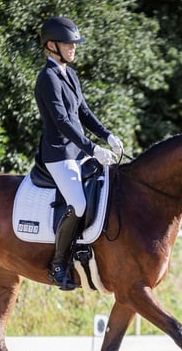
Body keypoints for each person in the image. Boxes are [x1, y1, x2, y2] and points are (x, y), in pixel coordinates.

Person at [34, 16, 123, 291]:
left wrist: (107, 134)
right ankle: (58, 264)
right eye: (68, 44)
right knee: (80, 204)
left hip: (77, 152)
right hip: (59, 155)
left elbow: (83, 113)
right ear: (51, 45)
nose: (74, 48)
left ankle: (88, 249)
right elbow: (62, 122)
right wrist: (93, 149)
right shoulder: (47, 78)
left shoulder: (69, 74)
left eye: (74, 44)